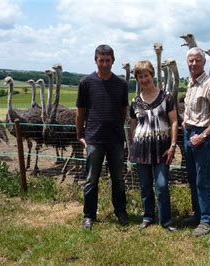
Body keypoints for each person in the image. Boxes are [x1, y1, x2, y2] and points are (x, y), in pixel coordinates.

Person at [76, 44, 129, 230]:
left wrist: (116, 127)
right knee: (91, 179)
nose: (105, 64)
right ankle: (89, 215)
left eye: (108, 60)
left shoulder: (121, 84)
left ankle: (121, 212)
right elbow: (80, 111)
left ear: (113, 61)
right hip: (94, 138)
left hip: (115, 139)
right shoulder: (86, 83)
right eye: (101, 60)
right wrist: (80, 134)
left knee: (118, 178)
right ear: (96, 60)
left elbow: (123, 110)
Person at [182, 47, 210, 236]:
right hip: (189, 134)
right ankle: (198, 214)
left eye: (197, 61)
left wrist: (203, 135)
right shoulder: (191, 84)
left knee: (203, 179)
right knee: (193, 178)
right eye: (191, 61)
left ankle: (207, 220)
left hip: (202, 136)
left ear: (204, 62)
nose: (193, 64)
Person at [129, 60, 177, 232]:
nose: (144, 79)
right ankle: (148, 217)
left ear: (152, 75)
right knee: (145, 186)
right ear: (137, 79)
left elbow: (174, 122)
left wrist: (173, 145)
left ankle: (166, 220)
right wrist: (131, 145)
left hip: (162, 149)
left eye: (146, 75)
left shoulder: (166, 98)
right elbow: (133, 125)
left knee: (162, 185)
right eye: (140, 77)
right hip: (141, 149)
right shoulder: (135, 102)